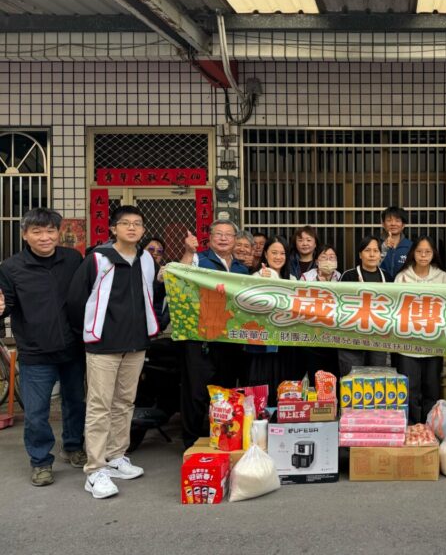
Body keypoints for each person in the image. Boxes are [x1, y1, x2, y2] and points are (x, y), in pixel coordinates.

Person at [68, 206, 162, 499]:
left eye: (137, 223)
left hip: (135, 343)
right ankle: (95, 469)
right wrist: (90, 332)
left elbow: (151, 296)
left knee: (124, 402)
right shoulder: (98, 258)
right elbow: (76, 301)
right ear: (113, 229)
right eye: (125, 223)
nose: (132, 228)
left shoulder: (146, 259)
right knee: (100, 405)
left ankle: (117, 456)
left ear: (143, 229)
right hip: (104, 344)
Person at [0, 208, 86, 487]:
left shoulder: (73, 259)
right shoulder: (11, 268)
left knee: (75, 403)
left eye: (50, 230)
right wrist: (1, 309)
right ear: (25, 235)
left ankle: (73, 446)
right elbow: (7, 305)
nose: (45, 237)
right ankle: (40, 462)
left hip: (72, 348)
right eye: (37, 231)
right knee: (36, 412)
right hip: (35, 352)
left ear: (58, 233)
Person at [179, 222, 250, 448]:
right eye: (218, 234)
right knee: (196, 392)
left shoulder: (241, 269)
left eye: (228, 235)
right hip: (201, 338)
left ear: (235, 239)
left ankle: (220, 437)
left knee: (224, 391)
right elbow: (180, 278)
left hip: (229, 340)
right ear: (209, 237)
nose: (223, 238)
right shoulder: (198, 259)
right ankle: (190, 442)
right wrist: (188, 252)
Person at [393, 236, 446, 423]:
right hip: (407, 344)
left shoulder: (443, 277)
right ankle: (412, 428)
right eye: (419, 251)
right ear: (413, 253)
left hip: (433, 343)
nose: (423, 255)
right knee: (410, 389)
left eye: (428, 252)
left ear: (433, 254)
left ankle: (429, 428)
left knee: (431, 389)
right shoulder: (402, 277)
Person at [251, 236, 300, 399]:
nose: (278, 257)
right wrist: (263, 282)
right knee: (263, 387)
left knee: (286, 387)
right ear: (265, 254)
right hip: (264, 343)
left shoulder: (292, 279)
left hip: (287, 342)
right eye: (274, 252)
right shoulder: (255, 277)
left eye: (282, 253)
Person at [339, 235, 391, 375]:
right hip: (352, 337)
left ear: (380, 254)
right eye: (367, 250)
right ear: (360, 255)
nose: (372, 254)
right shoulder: (348, 276)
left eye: (376, 251)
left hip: (379, 337)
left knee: (377, 377)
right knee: (352, 379)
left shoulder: (388, 277)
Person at [299, 245, 342, 378]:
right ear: (317, 261)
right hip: (313, 334)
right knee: (315, 374)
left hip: (334, 335)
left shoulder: (341, 277)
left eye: (332, 257)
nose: (328, 261)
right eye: (324, 257)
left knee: (333, 375)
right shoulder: (306, 277)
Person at [379, 206, 412, 280]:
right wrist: (383, 247)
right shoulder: (375, 244)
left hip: (402, 285)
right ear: (383, 224)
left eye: (397, 220)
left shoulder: (411, 246)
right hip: (380, 284)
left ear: (403, 225)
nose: (393, 224)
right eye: (389, 220)